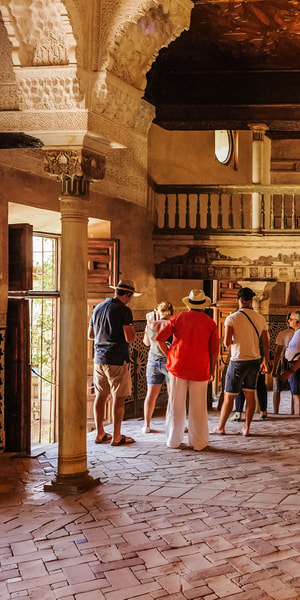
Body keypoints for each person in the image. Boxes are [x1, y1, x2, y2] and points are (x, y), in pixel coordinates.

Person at [155, 289, 219, 451]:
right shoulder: (210, 323)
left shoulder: (178, 318)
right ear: (203, 305)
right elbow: (214, 351)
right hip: (200, 367)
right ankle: (199, 442)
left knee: (175, 404)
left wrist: (170, 354)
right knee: (198, 406)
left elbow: (159, 339)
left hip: (178, 366)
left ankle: (173, 440)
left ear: (189, 304)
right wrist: (212, 370)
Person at [88, 279, 141, 446]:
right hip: (117, 359)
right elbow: (129, 337)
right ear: (128, 294)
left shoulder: (97, 308)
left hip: (99, 359)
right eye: (131, 296)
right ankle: (117, 436)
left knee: (100, 396)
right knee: (119, 397)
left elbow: (90, 335)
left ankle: (100, 433)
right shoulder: (124, 310)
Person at [212, 287, 270, 437]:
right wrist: (266, 359)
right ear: (251, 300)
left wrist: (235, 339)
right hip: (254, 361)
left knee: (229, 396)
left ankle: (221, 427)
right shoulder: (260, 318)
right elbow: (265, 342)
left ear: (238, 300)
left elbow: (226, 343)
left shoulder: (232, 318)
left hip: (238, 361)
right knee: (250, 395)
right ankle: (246, 428)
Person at [142, 301, 174, 433]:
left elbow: (146, 343)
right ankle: (172, 424)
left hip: (153, 361)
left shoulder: (150, 325)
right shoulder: (172, 325)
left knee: (150, 395)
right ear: (171, 312)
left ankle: (147, 425)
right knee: (172, 395)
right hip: (169, 362)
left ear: (158, 311)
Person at [272, 313, 294, 414]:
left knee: (277, 389)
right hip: (294, 364)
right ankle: (294, 412)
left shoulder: (282, 333)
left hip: (282, 364)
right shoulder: (297, 333)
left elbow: (278, 352)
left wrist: (274, 367)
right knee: (294, 391)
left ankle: (276, 411)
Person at [279, 311, 300, 415]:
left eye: (291, 319)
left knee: (297, 395)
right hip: (294, 367)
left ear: (298, 321)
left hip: (296, 368)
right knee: (295, 394)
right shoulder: (297, 333)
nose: (288, 321)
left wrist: (291, 371)